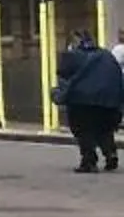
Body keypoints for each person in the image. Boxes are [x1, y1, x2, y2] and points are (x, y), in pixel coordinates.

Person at [53, 35, 123, 174]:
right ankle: (110, 154)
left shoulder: (74, 55)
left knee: (83, 130)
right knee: (104, 128)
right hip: (109, 100)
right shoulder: (105, 54)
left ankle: (89, 161)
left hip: (83, 99)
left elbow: (62, 73)